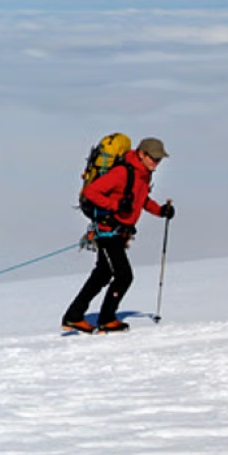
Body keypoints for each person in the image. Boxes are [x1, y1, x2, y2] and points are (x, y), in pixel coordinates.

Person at [63, 137, 175, 333]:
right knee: (124, 276)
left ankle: (74, 316)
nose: (156, 163)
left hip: (119, 232)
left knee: (102, 274)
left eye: (159, 160)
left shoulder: (143, 174)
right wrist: (116, 206)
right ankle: (106, 319)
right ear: (141, 154)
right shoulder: (122, 172)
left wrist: (160, 211)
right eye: (154, 158)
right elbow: (91, 193)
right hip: (107, 231)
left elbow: (140, 199)